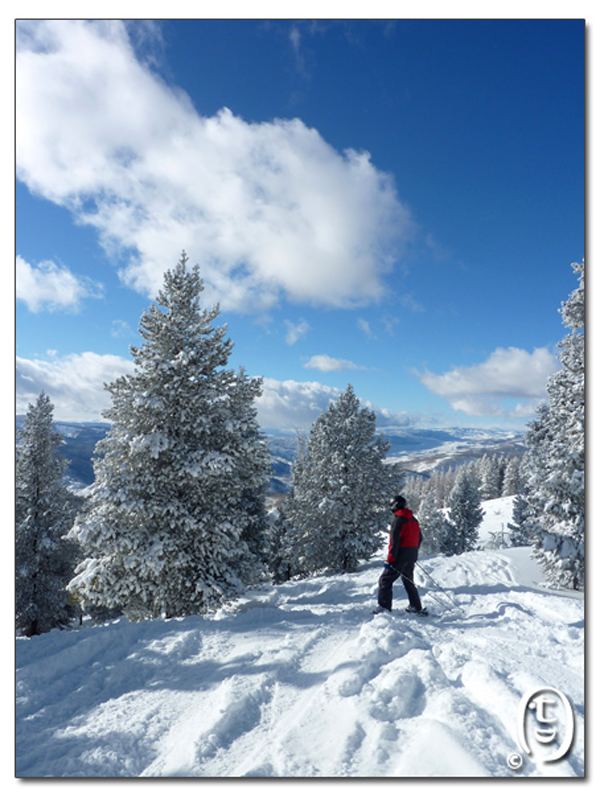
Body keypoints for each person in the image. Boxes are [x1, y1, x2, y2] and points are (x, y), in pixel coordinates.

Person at [374, 495, 427, 615]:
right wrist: (413, 552)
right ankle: (415, 606)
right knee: (408, 580)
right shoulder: (413, 519)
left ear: (394, 506)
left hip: (400, 556)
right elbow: (419, 538)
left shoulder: (398, 520)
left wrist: (390, 559)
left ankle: (384, 608)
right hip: (411, 555)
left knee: (385, 580)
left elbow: (394, 541)